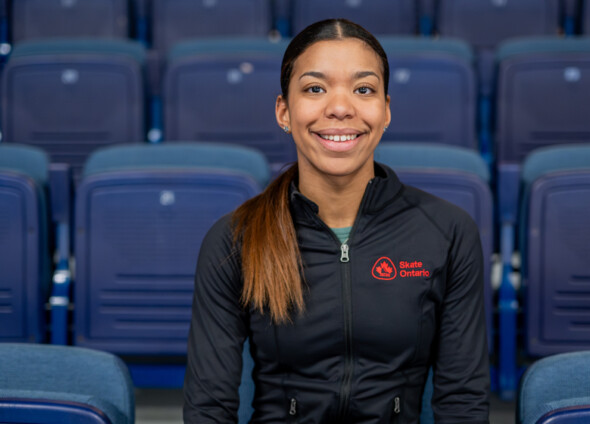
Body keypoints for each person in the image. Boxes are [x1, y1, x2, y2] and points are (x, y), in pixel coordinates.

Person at [183, 18, 489, 423]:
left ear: (386, 111)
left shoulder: (448, 232)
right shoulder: (234, 239)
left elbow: (463, 403)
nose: (341, 108)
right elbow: (209, 409)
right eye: (315, 88)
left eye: (364, 89)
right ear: (284, 111)